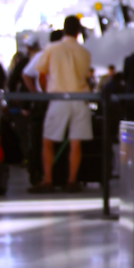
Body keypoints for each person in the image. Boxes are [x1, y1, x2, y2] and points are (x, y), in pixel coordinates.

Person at [30, 16, 91, 194]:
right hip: (80, 100)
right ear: (78, 31)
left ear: (64, 29)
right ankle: (72, 181)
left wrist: (45, 92)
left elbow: (41, 74)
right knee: (75, 143)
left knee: (48, 141)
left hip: (59, 99)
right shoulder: (84, 52)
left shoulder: (53, 48)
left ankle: (48, 180)